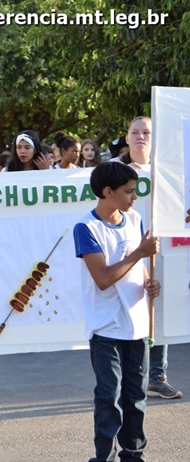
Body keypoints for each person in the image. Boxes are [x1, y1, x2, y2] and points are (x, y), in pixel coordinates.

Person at [74, 161, 166, 462]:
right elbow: (102, 279)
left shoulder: (136, 220)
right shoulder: (85, 228)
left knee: (136, 399)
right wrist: (139, 252)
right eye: (128, 191)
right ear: (107, 192)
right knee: (108, 398)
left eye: (135, 190)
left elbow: (138, 271)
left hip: (137, 325)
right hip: (105, 328)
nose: (133, 196)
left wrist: (148, 284)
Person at [117, 116, 182, 400]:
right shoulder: (114, 172)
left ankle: (157, 376)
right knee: (128, 311)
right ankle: (129, 378)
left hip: (161, 249)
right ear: (128, 138)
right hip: (124, 249)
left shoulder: (167, 172)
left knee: (158, 310)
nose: (141, 136)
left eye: (146, 132)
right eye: (135, 132)